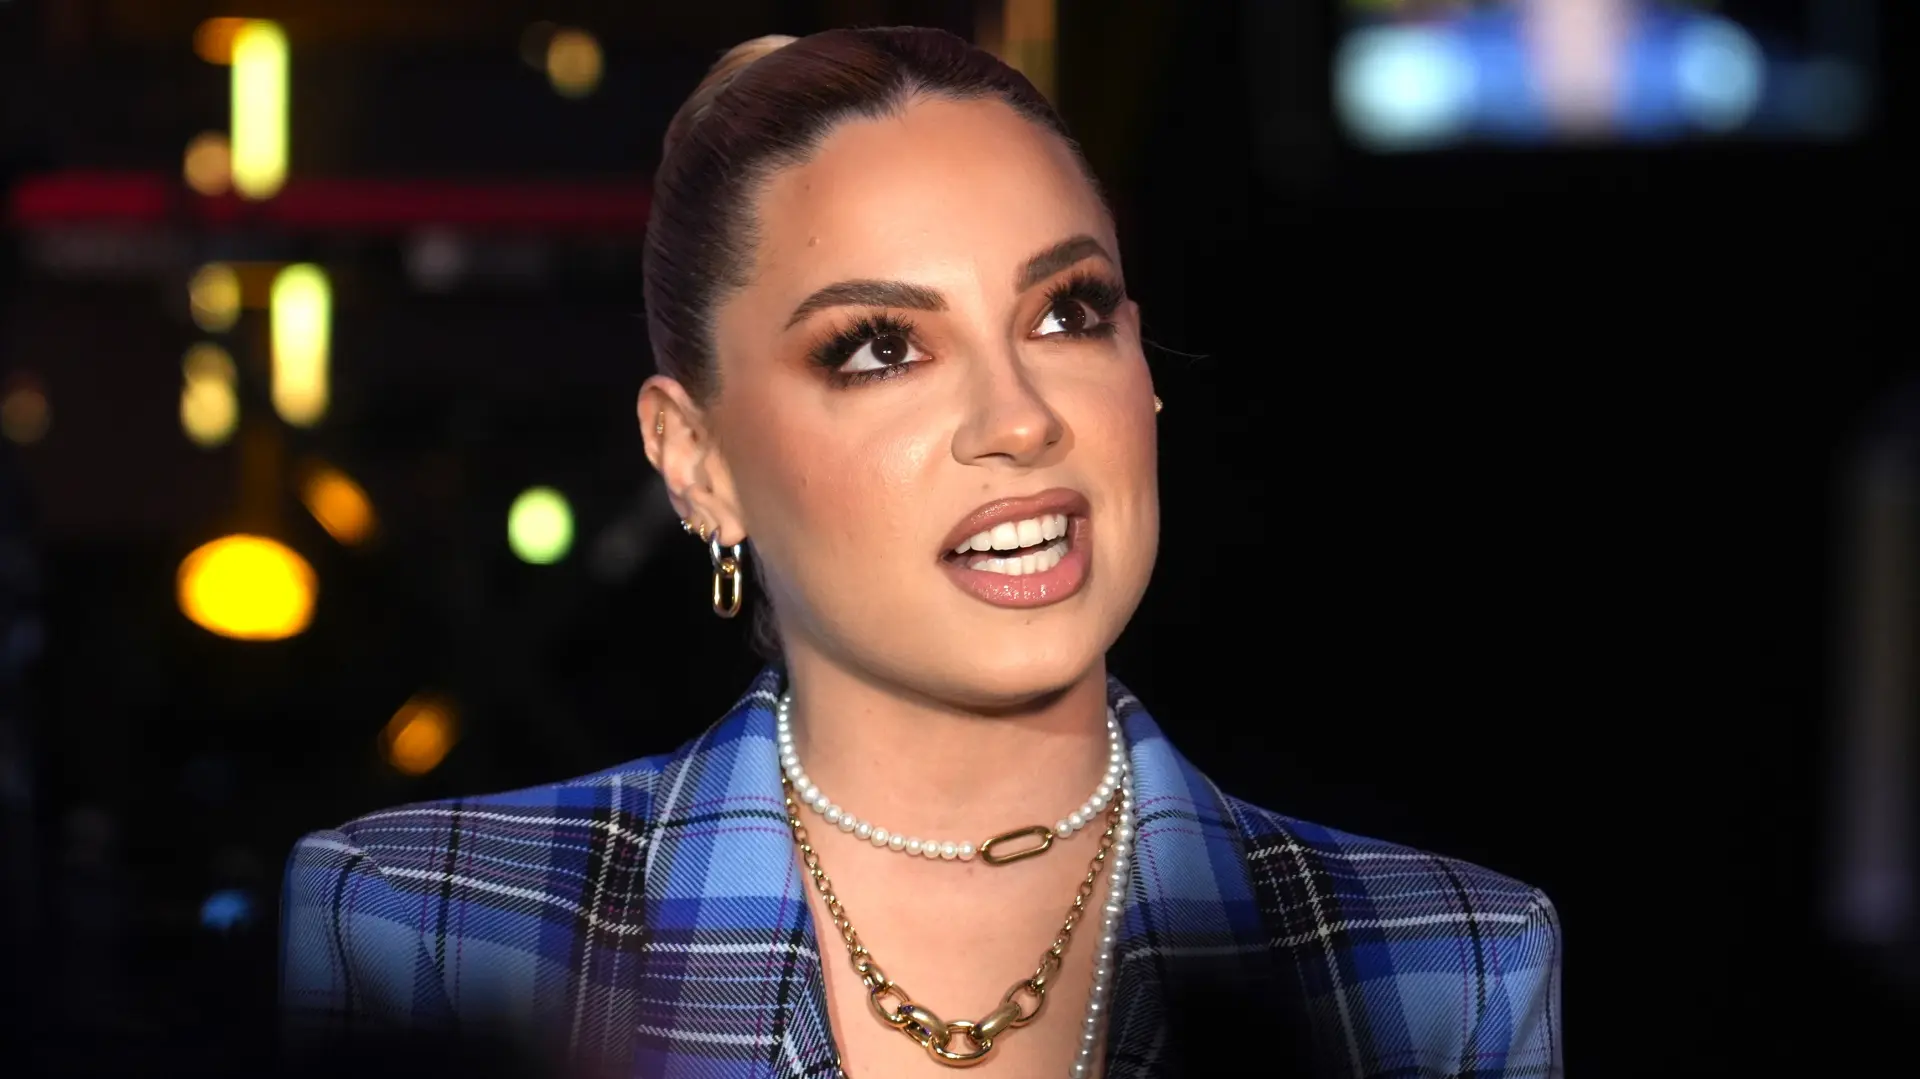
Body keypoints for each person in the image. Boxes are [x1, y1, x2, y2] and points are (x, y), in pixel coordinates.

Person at [281, 27, 1562, 1079]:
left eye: (1066, 313)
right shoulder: (433, 925)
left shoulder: (1441, 968)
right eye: (881, 347)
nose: (1021, 419)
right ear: (697, 458)